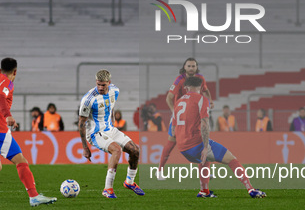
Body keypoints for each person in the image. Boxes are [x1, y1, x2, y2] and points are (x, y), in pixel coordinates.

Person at [0, 58, 56, 206]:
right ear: (15, 72)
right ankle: (34, 196)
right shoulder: (7, 82)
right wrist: (7, 115)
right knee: (21, 161)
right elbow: (0, 96)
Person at [169, 76, 266, 198]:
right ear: (200, 87)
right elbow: (205, 124)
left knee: (205, 160)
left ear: (186, 87)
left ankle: (204, 191)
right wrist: (204, 147)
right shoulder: (202, 100)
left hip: (182, 147)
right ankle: (251, 189)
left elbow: (173, 130)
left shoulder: (178, 102)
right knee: (232, 160)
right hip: (196, 144)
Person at [79, 69, 144, 198]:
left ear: (109, 82)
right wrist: (85, 147)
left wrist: (112, 119)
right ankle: (107, 189)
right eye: (98, 84)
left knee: (135, 150)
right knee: (117, 150)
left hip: (110, 129)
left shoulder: (115, 91)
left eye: (103, 85)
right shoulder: (88, 99)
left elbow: (111, 104)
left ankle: (129, 182)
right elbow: (81, 123)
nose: (100, 87)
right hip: (95, 133)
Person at [158, 58, 213, 179]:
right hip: (181, 115)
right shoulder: (179, 80)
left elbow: (206, 90)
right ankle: (160, 171)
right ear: (185, 67)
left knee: (202, 137)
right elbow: (169, 98)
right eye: (189, 66)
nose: (191, 68)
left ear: (196, 67)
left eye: (193, 66)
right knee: (171, 142)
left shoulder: (200, 78)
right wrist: (175, 113)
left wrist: (210, 101)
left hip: (193, 114)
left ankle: (206, 171)